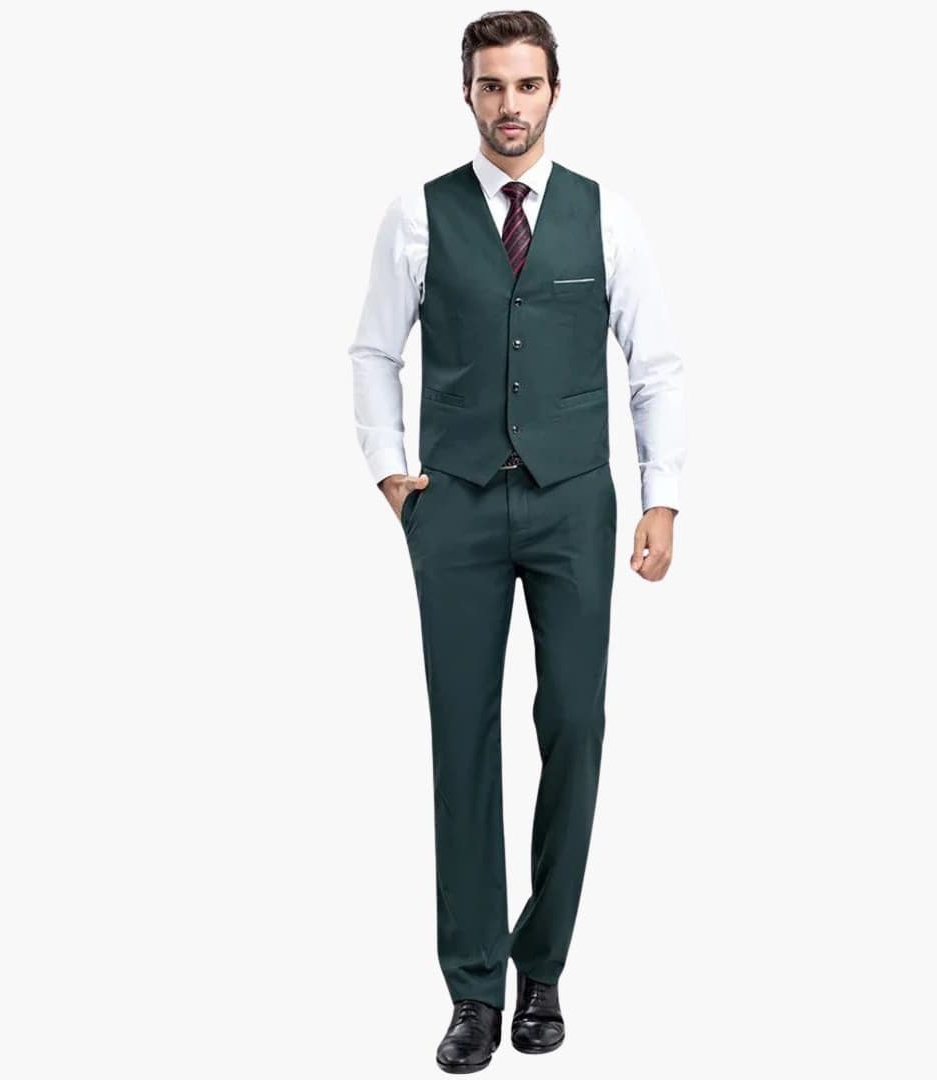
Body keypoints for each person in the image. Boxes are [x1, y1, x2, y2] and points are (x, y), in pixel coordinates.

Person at [348, 10, 686, 1072]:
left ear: (554, 93)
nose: (509, 105)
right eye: (491, 85)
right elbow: (373, 352)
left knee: (575, 725)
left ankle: (542, 966)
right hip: (451, 507)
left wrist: (662, 497)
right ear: (467, 93)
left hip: (573, 503)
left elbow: (655, 364)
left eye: (526, 85)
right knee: (462, 739)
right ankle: (472, 990)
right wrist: (393, 476)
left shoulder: (607, 215)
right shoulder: (416, 215)